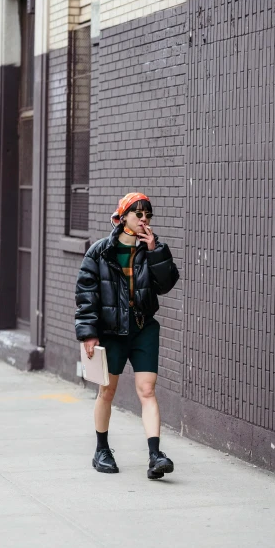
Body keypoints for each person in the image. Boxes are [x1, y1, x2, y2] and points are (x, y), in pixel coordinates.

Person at [75, 192, 180, 479]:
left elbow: (166, 284)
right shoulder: (99, 252)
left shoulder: (154, 249)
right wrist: (88, 334)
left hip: (143, 328)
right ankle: (101, 450)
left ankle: (155, 456)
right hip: (111, 332)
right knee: (107, 391)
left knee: (147, 390)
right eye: (138, 214)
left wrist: (156, 251)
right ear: (123, 219)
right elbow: (86, 295)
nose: (145, 220)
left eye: (148, 215)